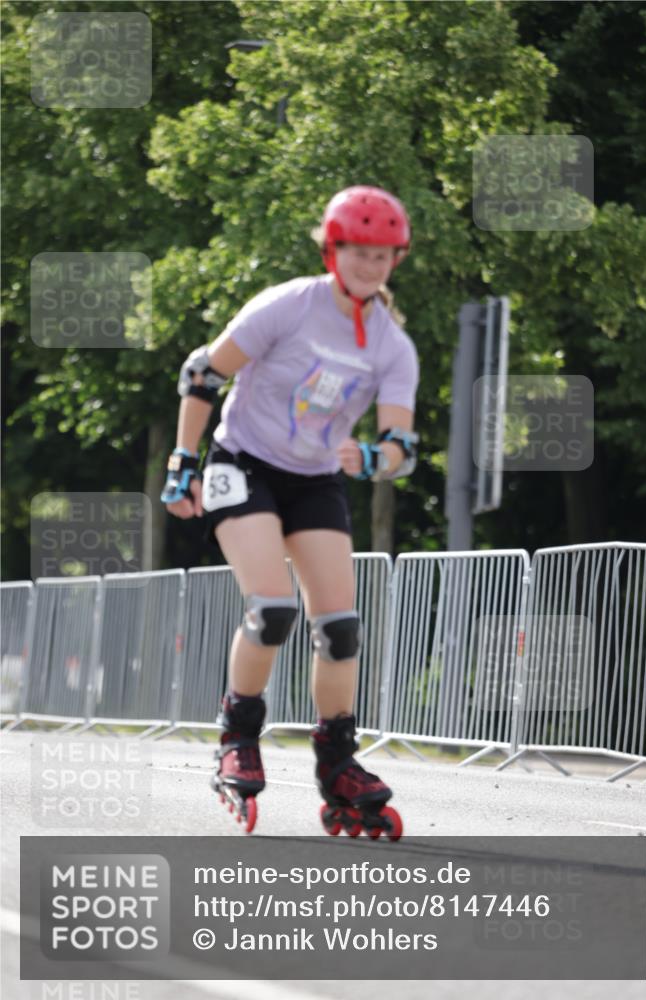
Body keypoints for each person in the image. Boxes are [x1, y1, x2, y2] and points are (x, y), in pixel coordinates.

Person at [161, 185, 419, 838]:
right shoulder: (289, 305)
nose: (369, 264)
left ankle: (337, 761)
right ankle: (237, 731)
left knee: (339, 628)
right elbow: (201, 373)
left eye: (382, 255)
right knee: (272, 609)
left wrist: (374, 458)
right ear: (334, 250)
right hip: (240, 462)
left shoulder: (392, 346)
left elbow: (401, 446)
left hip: (314, 480)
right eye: (358, 251)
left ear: (395, 259)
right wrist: (182, 461)